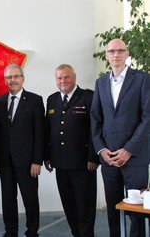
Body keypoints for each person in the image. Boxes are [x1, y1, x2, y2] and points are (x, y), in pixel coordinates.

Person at [91, 38, 150, 237]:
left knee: (137, 211)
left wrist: (129, 149)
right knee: (113, 210)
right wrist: (101, 150)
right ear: (107, 55)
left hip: (134, 157)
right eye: (112, 52)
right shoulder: (100, 83)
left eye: (120, 51)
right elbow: (95, 119)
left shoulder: (142, 79)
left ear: (127, 53)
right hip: (108, 158)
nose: (116, 55)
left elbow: (147, 118)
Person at [44, 64, 99, 237]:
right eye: (59, 78)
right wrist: (47, 157)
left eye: (66, 77)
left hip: (83, 163)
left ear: (74, 77)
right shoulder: (52, 99)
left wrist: (93, 157)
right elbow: (48, 130)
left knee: (85, 206)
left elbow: (94, 130)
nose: (63, 81)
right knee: (69, 205)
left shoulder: (88, 97)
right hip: (60, 163)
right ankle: (76, 233)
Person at [0, 63, 45, 237]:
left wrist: (37, 160)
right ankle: (11, 231)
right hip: (5, 161)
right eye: (9, 77)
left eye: (16, 76)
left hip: (28, 162)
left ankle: (32, 231)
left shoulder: (35, 100)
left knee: (30, 199)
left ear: (23, 78)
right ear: (5, 80)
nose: (12, 80)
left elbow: (40, 133)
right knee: (8, 200)